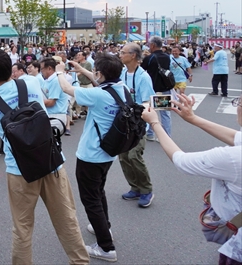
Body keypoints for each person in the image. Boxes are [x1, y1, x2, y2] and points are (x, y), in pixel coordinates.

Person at [0, 48, 88, 265]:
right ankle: (80, 261)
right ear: (11, 67)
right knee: (66, 219)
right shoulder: (31, 83)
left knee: (22, 228)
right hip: (51, 160)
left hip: (20, 170)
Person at [142, 93, 242, 265]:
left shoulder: (233, 158)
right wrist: (193, 119)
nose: (237, 105)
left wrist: (155, 123)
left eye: (239, 101)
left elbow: (182, 161)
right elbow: (235, 137)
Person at [56, 52, 125, 262]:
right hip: (109, 152)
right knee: (98, 191)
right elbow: (99, 83)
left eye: (96, 71)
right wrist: (83, 70)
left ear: (101, 73)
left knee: (90, 199)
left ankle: (106, 247)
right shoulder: (122, 89)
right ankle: (105, 228)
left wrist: (60, 72)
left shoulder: (98, 95)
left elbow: (68, 89)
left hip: (91, 154)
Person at [117, 43, 156, 207]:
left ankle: (146, 190)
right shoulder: (123, 73)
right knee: (123, 156)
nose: (120, 55)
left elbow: (148, 102)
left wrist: (140, 120)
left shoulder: (143, 77)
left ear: (133, 55)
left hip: (138, 123)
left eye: (123, 52)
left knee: (134, 155)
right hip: (124, 122)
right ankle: (135, 187)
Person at [141, 36, 172, 140]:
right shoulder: (167, 56)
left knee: (150, 111)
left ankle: (150, 134)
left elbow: (141, 69)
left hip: (152, 88)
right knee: (165, 114)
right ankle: (166, 136)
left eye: (149, 44)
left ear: (153, 45)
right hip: (164, 87)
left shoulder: (149, 58)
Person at [40, 57, 71, 136]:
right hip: (50, 116)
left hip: (56, 117)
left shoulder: (55, 80)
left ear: (49, 68)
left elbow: (51, 102)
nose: (41, 72)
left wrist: (35, 102)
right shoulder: (48, 80)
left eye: (42, 69)